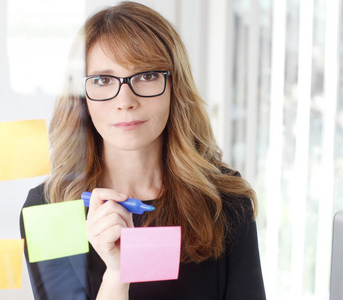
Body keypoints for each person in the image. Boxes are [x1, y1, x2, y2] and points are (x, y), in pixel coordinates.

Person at [20, 1, 266, 299]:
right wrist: (117, 274)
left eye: (147, 76)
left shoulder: (224, 202)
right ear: (81, 96)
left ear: (176, 87)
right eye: (102, 80)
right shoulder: (50, 210)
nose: (125, 100)